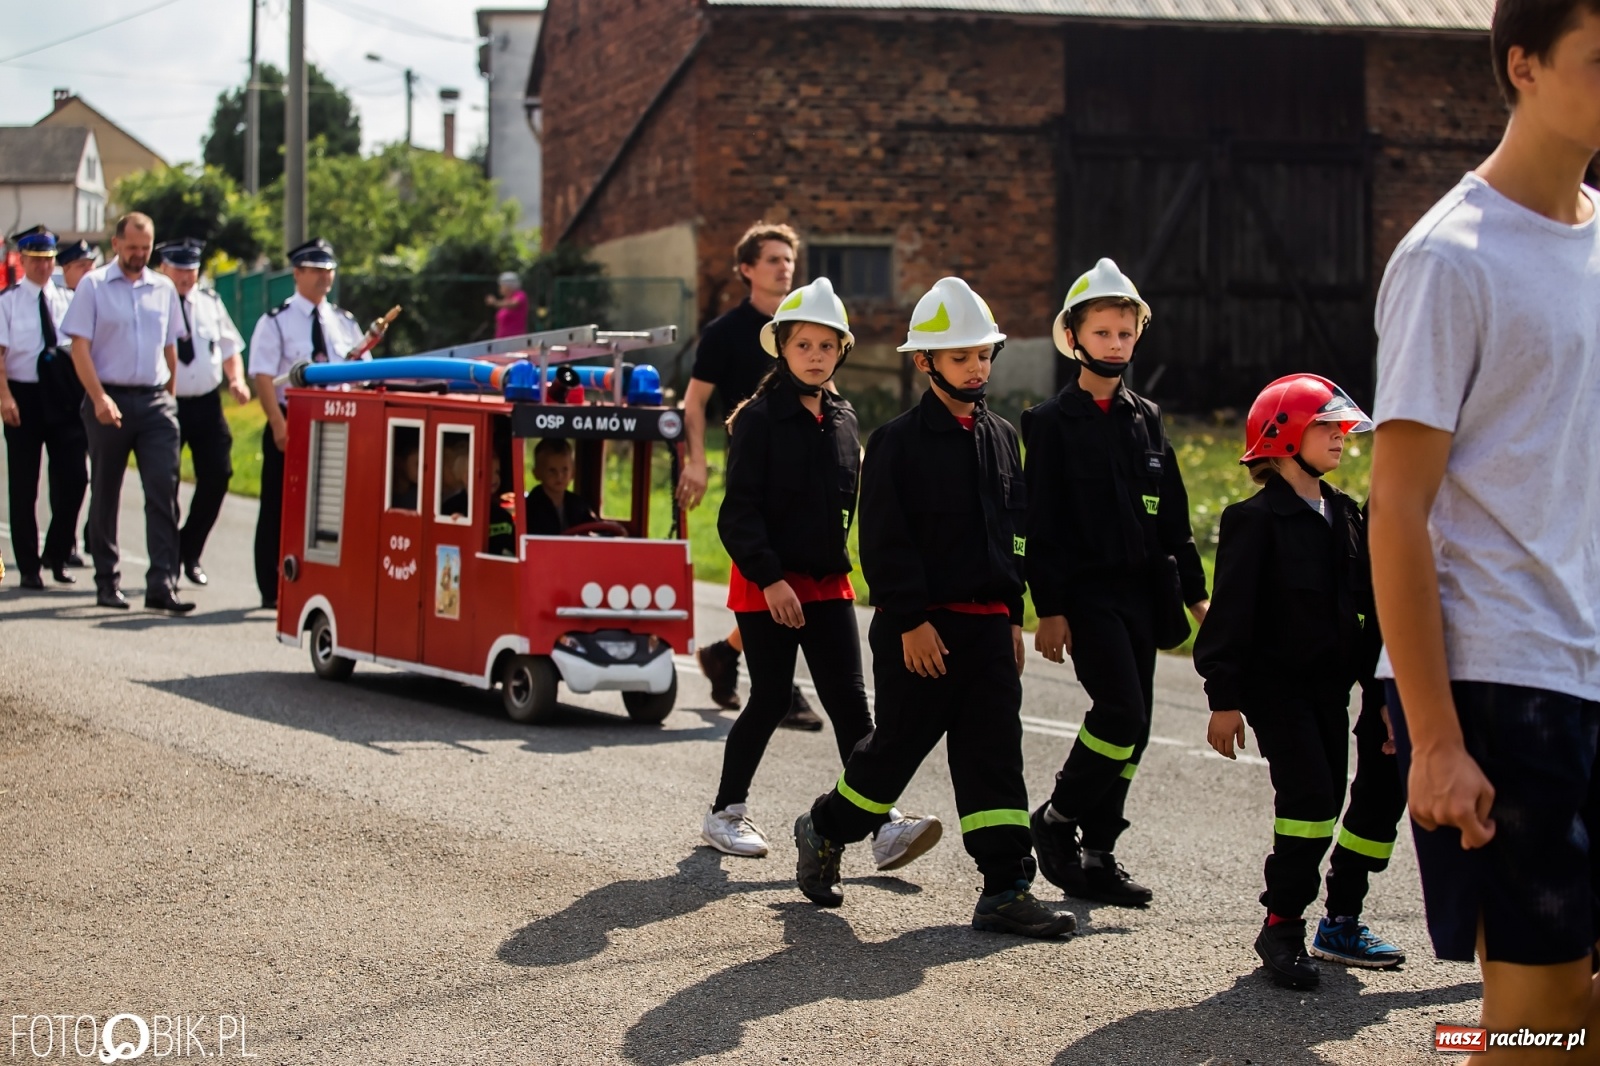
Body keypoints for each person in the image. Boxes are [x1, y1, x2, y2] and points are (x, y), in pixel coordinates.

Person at [1368, 0, 1600, 1049]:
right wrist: (1433, 741)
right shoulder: (1449, 257)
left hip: (1589, 660)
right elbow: (1396, 506)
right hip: (1503, 683)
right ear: (1524, 65)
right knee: (1535, 1018)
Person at [793, 278, 1074, 939]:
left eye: (983, 355)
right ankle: (826, 828)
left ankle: (1006, 888)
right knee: (892, 755)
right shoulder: (897, 442)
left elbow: (1015, 532)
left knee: (995, 757)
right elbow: (884, 540)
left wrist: (1011, 615)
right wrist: (911, 620)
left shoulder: (1004, 437)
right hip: (920, 631)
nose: (976, 367)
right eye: (960, 356)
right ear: (925, 362)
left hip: (985, 633)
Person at [705, 277, 942, 869]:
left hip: (827, 582)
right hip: (768, 583)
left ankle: (880, 821)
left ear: (842, 351)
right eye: (803, 345)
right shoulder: (758, 420)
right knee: (768, 699)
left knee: (852, 706)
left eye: (826, 346)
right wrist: (771, 578)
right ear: (782, 348)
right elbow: (737, 515)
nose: (815, 356)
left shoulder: (843, 418)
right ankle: (725, 812)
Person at [1194, 374, 1405, 990]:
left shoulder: (1346, 514)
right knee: (1311, 798)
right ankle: (1282, 927)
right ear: (1283, 435)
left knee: (1322, 801)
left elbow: (1371, 613)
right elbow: (1230, 617)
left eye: (1342, 427)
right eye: (1325, 426)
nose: (1341, 437)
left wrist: (1386, 694)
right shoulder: (1253, 520)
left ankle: (1298, 923)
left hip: (1328, 691)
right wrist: (1224, 700)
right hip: (1273, 690)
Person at [1023, 259, 1209, 907]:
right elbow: (1039, 525)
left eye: (1125, 333)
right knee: (1120, 714)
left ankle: (1100, 856)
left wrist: (1197, 594)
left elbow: (1177, 519)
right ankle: (1054, 821)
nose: (1115, 344)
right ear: (1074, 338)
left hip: (1142, 597)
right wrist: (1048, 607)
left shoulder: (1148, 418)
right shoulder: (1047, 422)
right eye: (1102, 333)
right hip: (1086, 595)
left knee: (1138, 730)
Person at [678, 222, 820, 730]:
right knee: (774, 574)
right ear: (747, 269)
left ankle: (725, 653)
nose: (785, 268)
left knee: (790, 574)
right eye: (773, 260)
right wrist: (696, 460)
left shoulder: (808, 330)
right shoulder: (725, 333)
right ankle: (779, 687)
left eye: (789, 259)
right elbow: (693, 402)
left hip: (803, 473)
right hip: (751, 474)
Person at [60, 212, 192, 614]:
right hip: (109, 397)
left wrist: (170, 396)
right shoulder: (94, 286)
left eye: (145, 249)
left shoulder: (164, 288)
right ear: (116, 244)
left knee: (162, 490)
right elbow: (79, 347)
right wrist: (98, 397)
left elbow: (170, 346)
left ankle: (162, 584)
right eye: (132, 248)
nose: (139, 255)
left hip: (154, 401)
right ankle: (107, 579)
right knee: (106, 491)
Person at [248, 237, 365, 610]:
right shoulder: (277, 320)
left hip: (338, 422)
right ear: (297, 273)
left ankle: (324, 580)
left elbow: (363, 370)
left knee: (332, 504)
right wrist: (278, 425)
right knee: (280, 504)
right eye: (316, 269)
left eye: (329, 269)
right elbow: (263, 376)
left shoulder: (344, 322)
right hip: (293, 420)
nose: (324, 276)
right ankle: (271, 586)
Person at [156, 239, 251, 587]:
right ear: (164, 268)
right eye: (179, 268)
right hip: (168, 401)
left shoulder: (210, 302)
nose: (186, 276)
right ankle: (165, 558)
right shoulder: (153, 302)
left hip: (207, 402)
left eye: (192, 269)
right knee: (164, 481)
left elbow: (229, 347)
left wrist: (237, 380)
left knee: (219, 474)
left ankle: (189, 549)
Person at [0, 228, 86, 590]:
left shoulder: (68, 299)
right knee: (24, 485)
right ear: (22, 260)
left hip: (63, 396)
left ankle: (57, 552)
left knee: (75, 479)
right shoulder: (8, 301)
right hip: (23, 395)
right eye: (35, 260)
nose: (42, 266)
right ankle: (29, 565)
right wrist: (4, 397)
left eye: (48, 260)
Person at [524, 438, 600, 535]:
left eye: (565, 469)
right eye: (552, 470)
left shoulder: (579, 505)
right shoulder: (531, 507)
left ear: (573, 472)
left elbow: (595, 527)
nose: (559, 476)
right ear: (537, 473)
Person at [486, 272, 529, 338]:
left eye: (501, 285)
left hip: (515, 340)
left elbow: (514, 304)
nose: (500, 288)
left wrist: (495, 302)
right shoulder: (505, 299)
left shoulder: (520, 295)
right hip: (501, 340)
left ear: (509, 286)